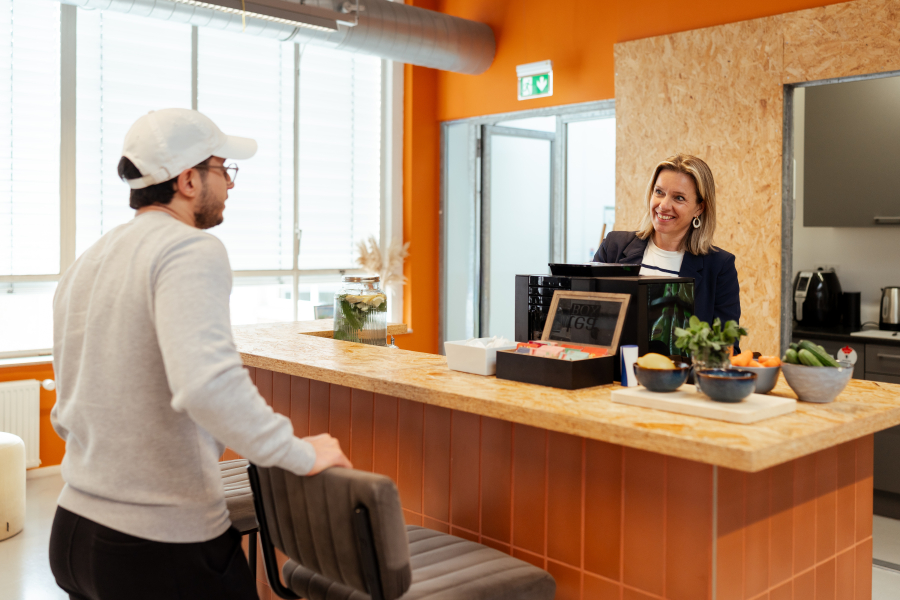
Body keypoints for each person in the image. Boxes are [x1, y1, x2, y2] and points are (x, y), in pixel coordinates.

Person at [48, 108, 352, 600]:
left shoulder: (90, 260)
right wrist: (297, 453)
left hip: (73, 532)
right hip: (158, 545)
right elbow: (207, 384)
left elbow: (71, 402)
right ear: (188, 180)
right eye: (222, 170)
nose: (230, 185)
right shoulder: (189, 249)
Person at [593, 153, 741, 328]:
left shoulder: (719, 267)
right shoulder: (614, 247)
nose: (663, 205)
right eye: (659, 192)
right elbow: (586, 316)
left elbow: (726, 345)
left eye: (679, 197)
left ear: (699, 208)